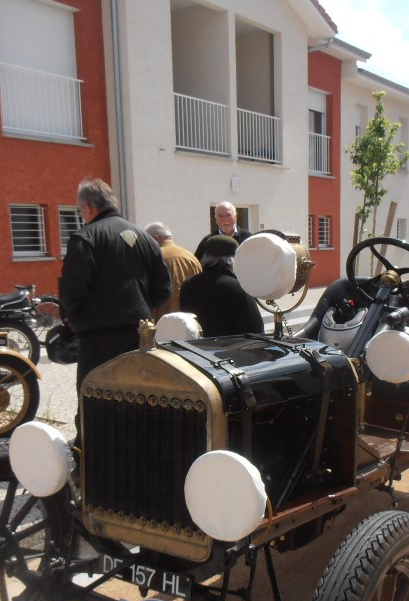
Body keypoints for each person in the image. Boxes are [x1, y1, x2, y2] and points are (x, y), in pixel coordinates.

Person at [59, 178, 171, 445]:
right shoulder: (146, 238)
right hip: (139, 336)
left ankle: (90, 458)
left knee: (94, 401)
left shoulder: (86, 237)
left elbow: (71, 292)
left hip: (98, 340)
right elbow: (163, 290)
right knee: (137, 398)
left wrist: (75, 320)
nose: (82, 215)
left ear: (88, 207)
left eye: (80, 210)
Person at [179, 234, 264, 337]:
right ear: (232, 260)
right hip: (231, 346)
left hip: (195, 345)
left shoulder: (188, 284)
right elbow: (256, 330)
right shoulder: (238, 287)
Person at [144, 221, 202, 320]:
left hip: (163, 322)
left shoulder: (154, 257)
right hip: (189, 321)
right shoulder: (191, 257)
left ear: (155, 238)